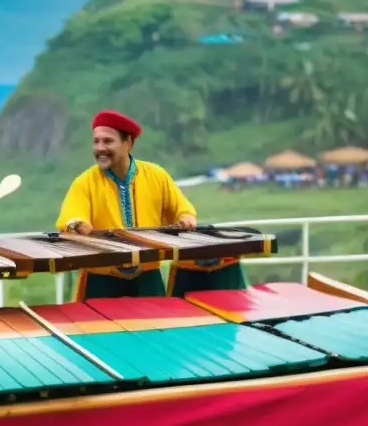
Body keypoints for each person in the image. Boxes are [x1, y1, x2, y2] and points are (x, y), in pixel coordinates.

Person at [56, 110, 246, 300]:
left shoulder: (157, 175)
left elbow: (182, 209)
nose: (100, 148)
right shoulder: (84, 182)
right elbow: (70, 218)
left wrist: (185, 219)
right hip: (101, 279)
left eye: (108, 141)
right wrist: (77, 225)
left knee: (158, 328)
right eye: (96, 141)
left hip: (148, 277)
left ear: (128, 143)